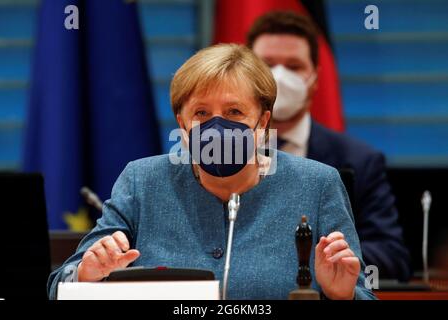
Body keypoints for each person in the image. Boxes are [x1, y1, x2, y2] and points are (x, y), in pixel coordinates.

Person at [48, 44, 375, 300]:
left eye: (234, 111)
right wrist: (87, 274)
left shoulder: (317, 184)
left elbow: (361, 293)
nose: (217, 126)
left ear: (262, 123)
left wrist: (340, 295)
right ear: (183, 124)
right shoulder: (142, 181)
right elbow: (59, 284)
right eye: (202, 113)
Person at [247, 11, 411, 281]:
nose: (279, 76)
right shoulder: (221, 154)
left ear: (315, 79)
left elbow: (391, 256)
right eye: (267, 64)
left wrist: (313, 257)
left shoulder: (359, 160)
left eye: (294, 66)